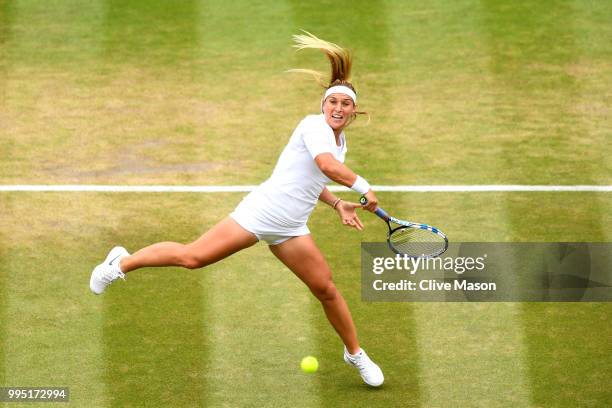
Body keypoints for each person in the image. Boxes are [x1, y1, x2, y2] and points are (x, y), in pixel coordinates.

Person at [90, 32, 384, 387]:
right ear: (323, 106)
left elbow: (309, 179)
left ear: (355, 110)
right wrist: (364, 187)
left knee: (326, 289)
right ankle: (119, 263)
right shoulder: (313, 126)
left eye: (345, 104)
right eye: (332, 102)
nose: (338, 108)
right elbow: (325, 166)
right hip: (260, 214)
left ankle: (355, 353)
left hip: (292, 227)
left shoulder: (341, 141)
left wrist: (337, 202)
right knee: (192, 257)